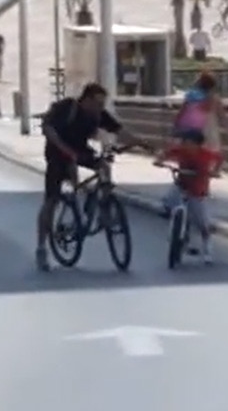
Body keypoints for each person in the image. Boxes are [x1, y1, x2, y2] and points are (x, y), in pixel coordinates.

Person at [38, 83, 152, 271]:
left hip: (80, 150)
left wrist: (140, 142)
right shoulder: (68, 108)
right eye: (98, 103)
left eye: (102, 104)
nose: (100, 108)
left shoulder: (97, 115)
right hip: (57, 154)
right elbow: (48, 129)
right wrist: (65, 150)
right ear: (87, 99)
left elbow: (118, 129)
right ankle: (41, 248)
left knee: (103, 165)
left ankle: (104, 207)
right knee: (50, 200)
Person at [155, 134, 223, 264]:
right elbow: (165, 153)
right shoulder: (181, 150)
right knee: (168, 200)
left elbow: (219, 157)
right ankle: (177, 228)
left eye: (188, 143)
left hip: (197, 190)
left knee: (202, 223)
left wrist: (215, 171)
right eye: (184, 142)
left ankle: (208, 250)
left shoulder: (205, 154)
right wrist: (159, 160)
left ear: (197, 144)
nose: (185, 145)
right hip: (181, 184)